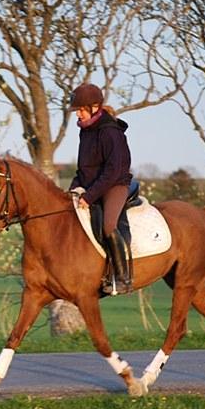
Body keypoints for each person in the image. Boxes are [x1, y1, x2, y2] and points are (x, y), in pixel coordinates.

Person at [68, 83, 133, 294]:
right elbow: (83, 169)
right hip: (92, 186)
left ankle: (123, 278)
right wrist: (73, 189)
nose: (78, 114)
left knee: (108, 226)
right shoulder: (85, 132)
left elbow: (113, 171)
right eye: (77, 110)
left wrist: (90, 195)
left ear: (95, 107)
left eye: (81, 109)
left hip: (115, 185)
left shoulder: (110, 132)